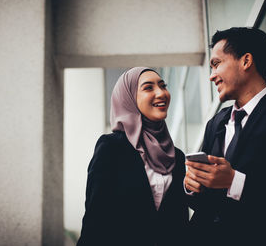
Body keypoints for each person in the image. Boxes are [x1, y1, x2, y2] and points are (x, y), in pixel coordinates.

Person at [184, 27, 266, 246]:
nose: (212, 76)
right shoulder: (215, 123)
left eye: (217, 64)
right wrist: (192, 186)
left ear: (246, 61)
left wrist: (234, 181)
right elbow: (205, 204)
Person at [77, 67, 189, 246]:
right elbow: (95, 217)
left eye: (163, 85)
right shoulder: (111, 147)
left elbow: (180, 222)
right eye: (148, 88)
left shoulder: (177, 156)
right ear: (129, 99)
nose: (161, 93)